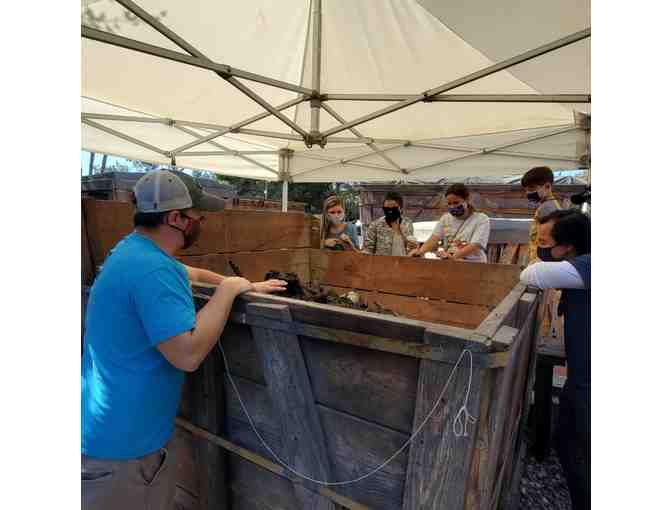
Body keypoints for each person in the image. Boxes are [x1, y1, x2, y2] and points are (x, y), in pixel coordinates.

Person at [81, 169, 286, 510]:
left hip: (106, 434)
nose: (202, 221)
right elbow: (187, 354)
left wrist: (245, 283)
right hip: (122, 454)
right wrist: (228, 290)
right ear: (176, 218)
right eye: (197, 215)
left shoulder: (133, 252)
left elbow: (187, 274)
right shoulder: (153, 271)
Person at [520, 210, 590, 510]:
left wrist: (538, 263)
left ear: (568, 246)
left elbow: (531, 274)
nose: (541, 247)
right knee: (567, 442)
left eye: (547, 241)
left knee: (580, 447)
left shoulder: (587, 266)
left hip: (591, 379)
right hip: (582, 373)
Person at [409, 183, 490, 262]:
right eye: (449, 204)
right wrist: (419, 252)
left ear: (467, 199)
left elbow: (475, 245)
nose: (452, 206)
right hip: (451, 265)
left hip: (474, 266)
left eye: (456, 203)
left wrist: (453, 257)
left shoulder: (481, 219)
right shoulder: (445, 218)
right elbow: (433, 239)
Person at [522, 166, 563, 265]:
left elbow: (548, 241)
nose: (528, 193)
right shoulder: (547, 205)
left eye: (532, 188)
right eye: (526, 189)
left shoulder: (548, 208)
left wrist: (537, 262)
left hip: (541, 261)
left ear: (547, 186)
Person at [363, 191, 417, 256]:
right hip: (383, 264)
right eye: (386, 209)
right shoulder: (375, 225)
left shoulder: (407, 223)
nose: (390, 211)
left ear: (400, 208)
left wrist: (414, 248)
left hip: (403, 264)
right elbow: (367, 250)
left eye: (393, 208)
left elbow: (411, 247)